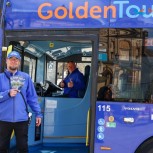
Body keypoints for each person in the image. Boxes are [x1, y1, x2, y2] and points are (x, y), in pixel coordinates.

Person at [0, 51, 42, 153]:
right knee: (1, 148)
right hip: (3, 119)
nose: (13, 61)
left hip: (21, 119)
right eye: (11, 59)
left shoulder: (26, 77)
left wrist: (38, 114)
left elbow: (32, 98)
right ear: (6, 61)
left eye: (16, 59)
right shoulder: (0, 77)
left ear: (19, 62)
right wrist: (7, 94)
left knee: (23, 148)